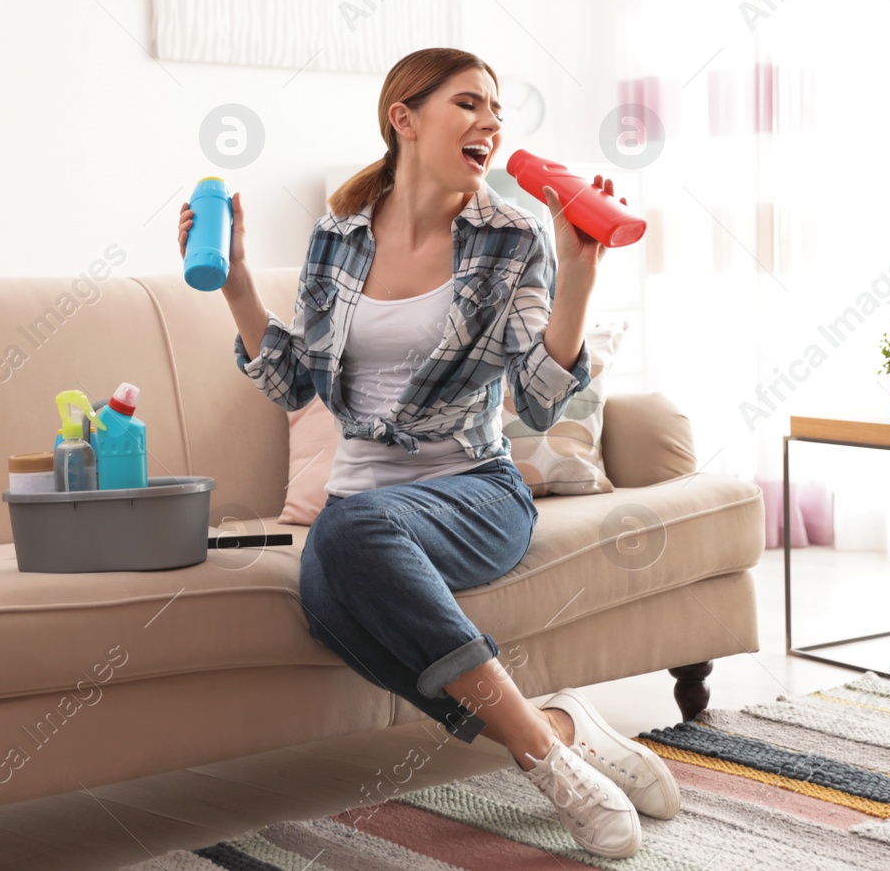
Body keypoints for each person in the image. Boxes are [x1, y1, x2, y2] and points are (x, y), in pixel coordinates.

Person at [178, 47, 676, 859]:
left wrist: (579, 275)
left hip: (474, 491)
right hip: (362, 509)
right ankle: (553, 727)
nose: (491, 123)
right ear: (403, 119)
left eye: (497, 110)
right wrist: (235, 278)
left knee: (345, 541)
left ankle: (548, 765)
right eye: (469, 104)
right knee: (333, 597)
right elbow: (295, 383)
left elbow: (542, 399)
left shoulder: (512, 236)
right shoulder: (336, 239)